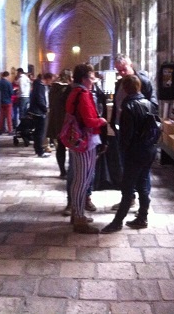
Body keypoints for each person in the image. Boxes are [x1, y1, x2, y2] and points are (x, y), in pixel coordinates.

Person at [101, 75, 158, 233]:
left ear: (125, 89)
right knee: (143, 184)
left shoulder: (128, 107)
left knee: (127, 188)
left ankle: (117, 222)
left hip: (134, 153)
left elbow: (127, 135)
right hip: (149, 149)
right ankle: (142, 217)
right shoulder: (149, 104)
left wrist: (123, 150)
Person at [110, 54, 158, 210]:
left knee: (143, 172)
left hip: (140, 135)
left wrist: (140, 122)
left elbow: (153, 106)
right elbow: (118, 105)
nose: (122, 73)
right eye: (119, 71)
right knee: (125, 167)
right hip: (122, 130)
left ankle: (144, 203)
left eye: (123, 69)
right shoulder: (120, 83)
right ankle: (129, 198)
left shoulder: (143, 81)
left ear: (130, 64)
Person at [65, 64, 107, 234]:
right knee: (82, 179)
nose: (93, 80)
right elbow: (90, 120)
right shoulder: (82, 94)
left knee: (80, 178)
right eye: (91, 77)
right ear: (83, 79)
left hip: (79, 140)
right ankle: (79, 218)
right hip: (84, 141)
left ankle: (77, 213)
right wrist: (102, 121)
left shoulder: (75, 92)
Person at [47, 69, 73, 177]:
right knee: (71, 146)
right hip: (65, 120)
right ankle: (70, 170)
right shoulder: (66, 89)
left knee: (60, 147)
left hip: (55, 120)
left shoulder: (53, 88)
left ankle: (62, 171)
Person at [28, 73, 53, 157]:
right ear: (48, 79)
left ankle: (37, 148)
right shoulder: (40, 86)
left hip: (39, 111)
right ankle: (39, 151)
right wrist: (45, 109)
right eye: (51, 80)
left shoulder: (41, 85)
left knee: (38, 131)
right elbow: (40, 99)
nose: (51, 83)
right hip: (39, 112)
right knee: (40, 132)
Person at [0, 71, 14, 135]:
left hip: (1, 102)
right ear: (7, 76)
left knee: (1, 117)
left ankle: (0, 129)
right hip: (8, 102)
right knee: (9, 116)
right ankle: (10, 130)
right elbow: (11, 93)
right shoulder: (8, 83)